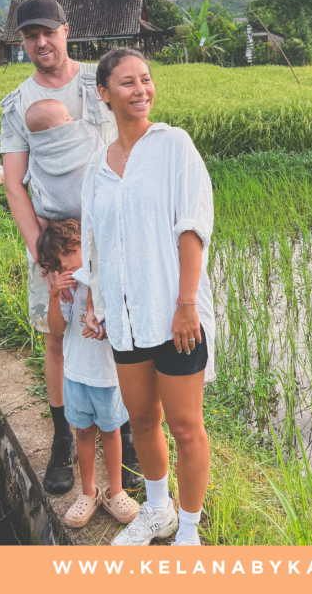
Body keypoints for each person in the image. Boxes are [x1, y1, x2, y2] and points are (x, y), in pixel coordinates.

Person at [0, 0, 139, 495]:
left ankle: (127, 431)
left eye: (48, 32)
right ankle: (63, 436)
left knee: (121, 327)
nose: (41, 43)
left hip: (109, 233)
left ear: (65, 30)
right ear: (23, 42)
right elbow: (14, 185)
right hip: (54, 239)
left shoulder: (98, 84)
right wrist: (42, 253)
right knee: (56, 336)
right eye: (30, 36)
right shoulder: (17, 104)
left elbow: (131, 144)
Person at [81, 47, 215, 547]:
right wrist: (95, 303)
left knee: (185, 425)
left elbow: (192, 225)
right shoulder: (98, 165)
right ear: (104, 94)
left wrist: (187, 303)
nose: (141, 90)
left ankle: (190, 532)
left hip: (174, 313)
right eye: (127, 82)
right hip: (126, 317)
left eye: (146, 79)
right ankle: (158, 511)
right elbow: (95, 240)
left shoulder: (173, 145)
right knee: (141, 419)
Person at [39, 219, 140, 529]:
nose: (67, 264)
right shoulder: (68, 290)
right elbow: (57, 329)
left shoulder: (106, 281)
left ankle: (116, 491)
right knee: (82, 433)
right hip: (76, 374)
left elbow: (123, 322)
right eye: (60, 261)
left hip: (107, 376)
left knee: (111, 432)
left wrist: (105, 329)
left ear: (87, 247)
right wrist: (54, 295)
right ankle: (88, 493)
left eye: (71, 253)